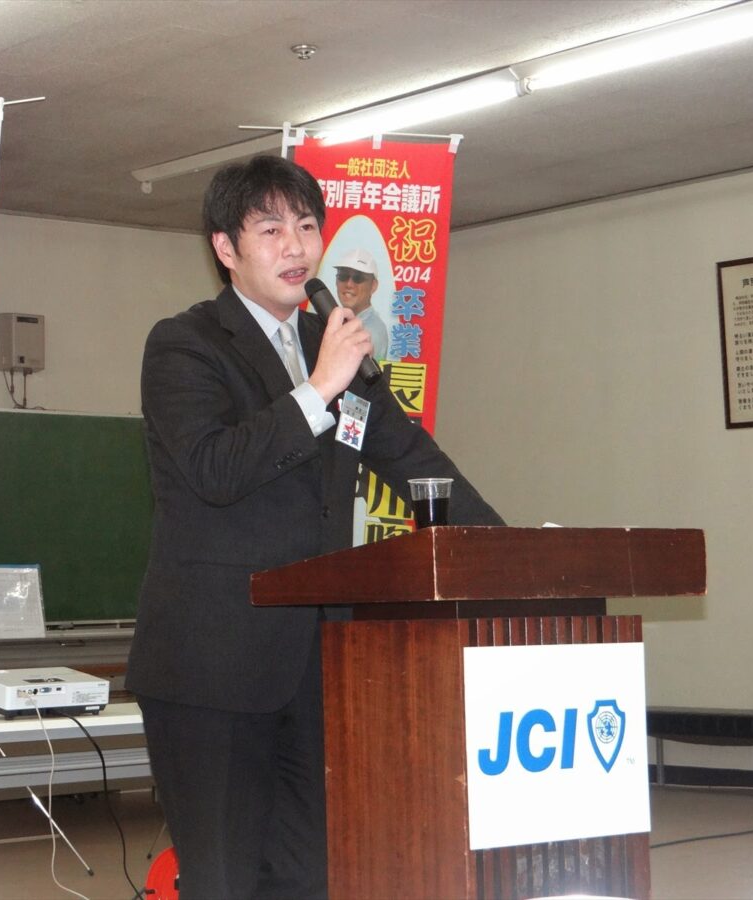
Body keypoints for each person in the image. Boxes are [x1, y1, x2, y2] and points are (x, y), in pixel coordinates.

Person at [126, 155, 502, 900]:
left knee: (315, 876)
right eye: (271, 230)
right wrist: (320, 386)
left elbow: (415, 461)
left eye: (306, 226)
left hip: (319, 665)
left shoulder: (334, 348)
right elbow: (216, 470)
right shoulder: (185, 345)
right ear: (225, 248)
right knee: (224, 881)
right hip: (214, 667)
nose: (296, 246)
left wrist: (510, 550)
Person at [333, 248, 390, 360]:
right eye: (343, 276)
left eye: (358, 278)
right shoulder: (337, 320)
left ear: (373, 286)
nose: (349, 284)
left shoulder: (371, 331)